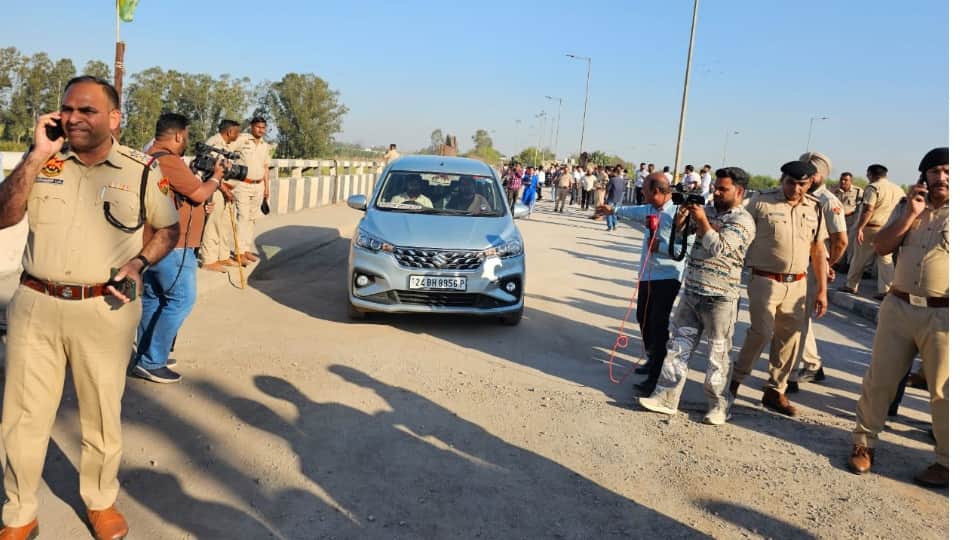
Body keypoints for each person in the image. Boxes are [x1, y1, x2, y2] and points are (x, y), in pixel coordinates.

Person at [0, 76, 179, 540]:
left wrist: (141, 262)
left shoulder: (140, 170)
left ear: (114, 119)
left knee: (101, 413)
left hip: (105, 307)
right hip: (35, 304)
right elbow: (4, 214)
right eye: (66, 109)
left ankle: (100, 501)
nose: (73, 118)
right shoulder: (44, 163)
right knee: (22, 417)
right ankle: (19, 512)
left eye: (87, 110)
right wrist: (36, 155)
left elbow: (167, 229)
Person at [847, 147, 948, 488]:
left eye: (948, 171)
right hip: (899, 307)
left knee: (943, 391)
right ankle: (864, 443)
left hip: (943, 314)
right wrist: (910, 216)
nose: (941, 177)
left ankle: (946, 461)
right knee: (880, 379)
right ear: (924, 177)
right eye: (934, 172)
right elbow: (881, 246)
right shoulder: (908, 206)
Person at [636, 167, 756, 424]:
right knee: (678, 348)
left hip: (721, 297)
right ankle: (666, 398)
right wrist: (682, 222)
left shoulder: (743, 220)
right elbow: (683, 237)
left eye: (723, 189)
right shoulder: (709, 210)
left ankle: (719, 405)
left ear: (739, 191)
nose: (717, 192)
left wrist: (701, 221)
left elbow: (719, 248)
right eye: (716, 188)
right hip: (692, 290)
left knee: (718, 355)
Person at [729, 160, 829, 417]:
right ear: (782, 179)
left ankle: (775, 390)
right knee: (761, 332)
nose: (796, 189)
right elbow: (738, 232)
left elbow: (818, 250)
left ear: (810, 183)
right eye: (791, 183)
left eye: (802, 184)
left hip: (798, 283)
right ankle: (734, 382)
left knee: (790, 339)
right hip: (765, 280)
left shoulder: (815, 208)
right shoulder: (761, 203)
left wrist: (822, 290)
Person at [132, 113, 224, 384]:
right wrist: (216, 178)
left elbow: (184, 196)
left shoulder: (147, 156)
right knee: (181, 300)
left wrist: (199, 200)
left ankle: (145, 357)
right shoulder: (168, 160)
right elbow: (197, 193)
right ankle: (153, 361)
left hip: (152, 243)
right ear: (178, 136)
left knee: (153, 299)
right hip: (174, 243)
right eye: (186, 136)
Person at [614, 173, 690, 396]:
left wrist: (662, 248)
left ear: (657, 191)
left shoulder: (680, 212)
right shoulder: (649, 208)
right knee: (643, 318)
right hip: (647, 274)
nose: (642, 193)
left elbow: (687, 247)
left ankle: (656, 376)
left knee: (658, 323)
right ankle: (652, 356)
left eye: (645, 190)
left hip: (668, 276)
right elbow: (633, 212)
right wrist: (613, 210)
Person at [788, 151, 848, 392]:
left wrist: (827, 265)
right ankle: (812, 363)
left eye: (808, 173)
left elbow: (840, 241)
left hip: (811, 268)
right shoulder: (799, 195)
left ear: (820, 175)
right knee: (796, 318)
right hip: (794, 266)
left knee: (798, 320)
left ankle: (790, 376)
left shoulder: (828, 202)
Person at [840, 164, 901, 299]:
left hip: (872, 228)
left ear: (871, 174)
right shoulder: (898, 189)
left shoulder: (873, 187)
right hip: (889, 229)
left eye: (867, 174)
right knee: (886, 260)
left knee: (859, 257)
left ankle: (851, 285)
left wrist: (860, 228)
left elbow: (868, 209)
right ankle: (885, 290)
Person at [198, 119, 241, 273]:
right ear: (230, 132)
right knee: (213, 224)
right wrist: (226, 191)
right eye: (237, 131)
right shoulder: (214, 145)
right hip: (213, 188)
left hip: (222, 189)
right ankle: (209, 260)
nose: (239, 134)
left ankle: (222, 255)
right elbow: (212, 172)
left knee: (224, 225)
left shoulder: (225, 146)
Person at [232, 117, 271, 266]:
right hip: (243, 184)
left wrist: (267, 187)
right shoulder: (242, 140)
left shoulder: (265, 146)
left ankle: (246, 249)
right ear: (251, 127)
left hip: (259, 185)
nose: (261, 130)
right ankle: (238, 252)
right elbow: (228, 151)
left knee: (252, 218)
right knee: (242, 217)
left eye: (263, 127)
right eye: (258, 127)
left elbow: (266, 167)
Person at [832, 172, 863, 272]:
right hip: (837, 219)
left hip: (851, 220)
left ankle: (848, 264)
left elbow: (861, 206)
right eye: (841, 179)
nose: (843, 182)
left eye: (846, 180)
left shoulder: (858, 191)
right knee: (837, 241)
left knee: (850, 243)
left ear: (851, 181)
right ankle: (836, 263)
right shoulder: (835, 191)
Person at [604, 166, 627, 231]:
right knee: (615, 212)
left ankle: (610, 226)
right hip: (618, 198)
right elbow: (623, 190)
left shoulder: (612, 179)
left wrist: (605, 197)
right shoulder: (622, 180)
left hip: (611, 197)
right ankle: (615, 225)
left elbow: (608, 189)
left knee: (608, 212)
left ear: (615, 172)